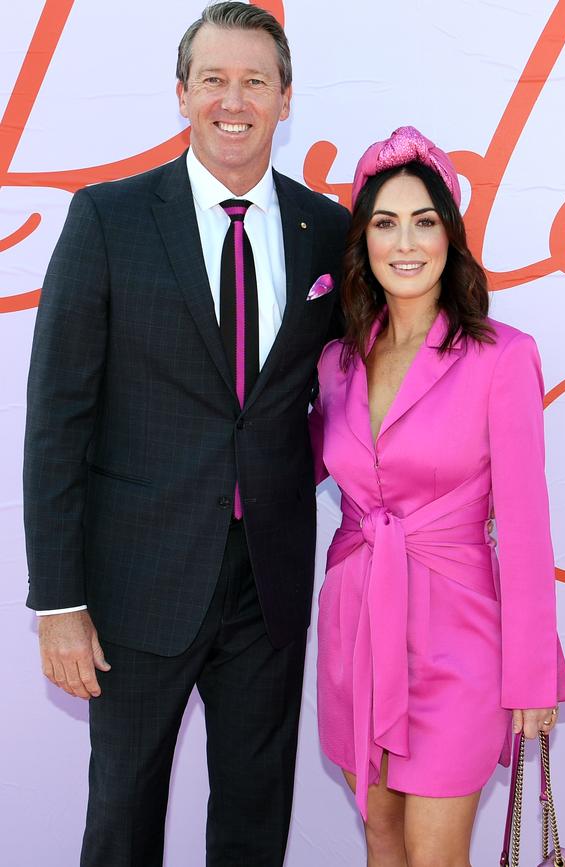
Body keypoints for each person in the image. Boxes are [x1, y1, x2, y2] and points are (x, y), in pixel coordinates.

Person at [23, 3, 349, 865]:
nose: (232, 99)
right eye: (213, 79)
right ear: (181, 94)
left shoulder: (330, 232)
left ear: (285, 99)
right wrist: (59, 602)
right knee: (122, 820)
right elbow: (56, 419)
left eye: (254, 81)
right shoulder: (108, 219)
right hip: (136, 584)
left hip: (268, 586)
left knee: (253, 820)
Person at [309, 126, 565, 867]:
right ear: (362, 241)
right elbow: (280, 467)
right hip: (357, 627)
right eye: (385, 223)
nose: (406, 242)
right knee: (383, 837)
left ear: (451, 237)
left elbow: (524, 526)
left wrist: (531, 677)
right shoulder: (335, 360)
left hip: (460, 638)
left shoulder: (503, 355)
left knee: (435, 852)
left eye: (424, 221)